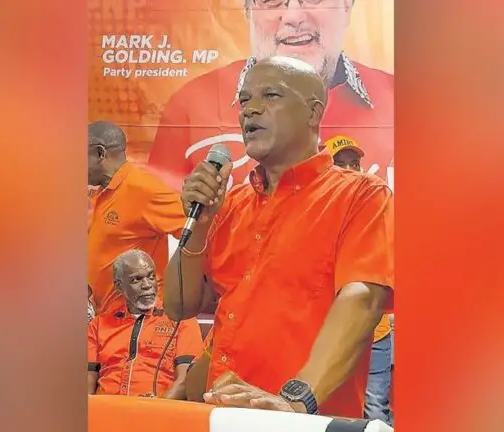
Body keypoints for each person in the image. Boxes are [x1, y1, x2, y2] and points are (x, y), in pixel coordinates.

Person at [162, 56, 394, 418]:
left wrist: (296, 400)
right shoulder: (232, 204)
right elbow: (180, 307)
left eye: (270, 95)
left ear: (314, 113)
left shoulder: (361, 196)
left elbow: (362, 300)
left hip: (303, 419)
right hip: (222, 414)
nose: (250, 110)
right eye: (244, 100)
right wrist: (200, 225)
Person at [149, 0, 393, 190]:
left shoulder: (400, 100)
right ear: (248, 10)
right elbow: (164, 227)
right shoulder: (190, 104)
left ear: (347, 6)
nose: (293, 17)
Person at [324, 135, 394, 425]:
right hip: (330, 336)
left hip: (374, 333)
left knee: (374, 409)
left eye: (354, 163)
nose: (350, 170)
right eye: (341, 164)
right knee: (331, 413)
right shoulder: (318, 212)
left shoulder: (376, 202)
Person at [88, 121, 186, 314]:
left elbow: (199, 233)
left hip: (137, 319)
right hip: (105, 319)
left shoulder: (144, 189)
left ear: (100, 153)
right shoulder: (101, 192)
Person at [88, 250, 204, 398]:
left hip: (159, 407)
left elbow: (185, 381)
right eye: (136, 280)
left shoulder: (181, 319)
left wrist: (156, 406)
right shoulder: (98, 325)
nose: (147, 285)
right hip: (105, 407)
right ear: (118, 285)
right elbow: (87, 382)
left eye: (151, 277)